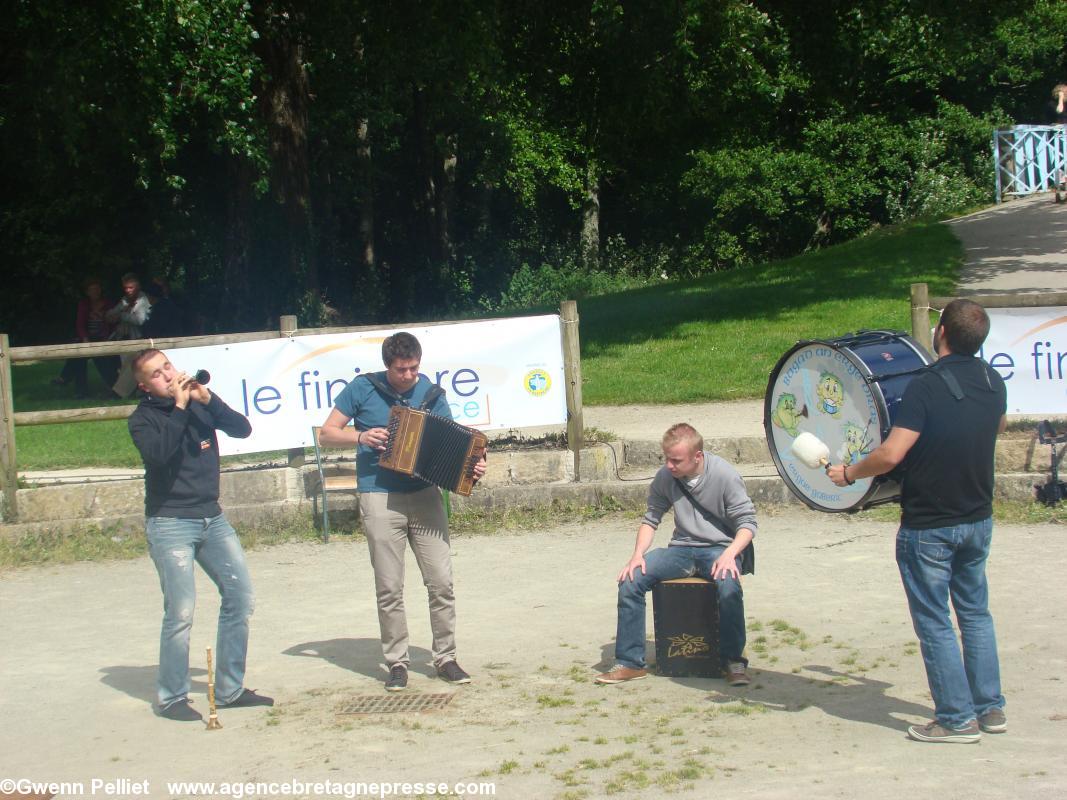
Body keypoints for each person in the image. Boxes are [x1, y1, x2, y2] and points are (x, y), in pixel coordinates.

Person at [829, 299, 1007, 744]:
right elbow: (995, 426)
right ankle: (990, 709)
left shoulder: (926, 385)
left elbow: (891, 454)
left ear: (941, 331)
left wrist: (848, 474)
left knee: (934, 622)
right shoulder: (993, 378)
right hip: (977, 518)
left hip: (929, 524)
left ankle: (955, 719)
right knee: (975, 615)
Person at [319, 332, 486, 692]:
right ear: (387, 365)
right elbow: (327, 433)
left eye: (413, 368)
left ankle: (446, 657)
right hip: (379, 495)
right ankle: (397, 661)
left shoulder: (432, 394)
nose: (409, 375)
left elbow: (456, 445)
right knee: (389, 586)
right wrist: (362, 437)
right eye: (401, 369)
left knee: (441, 581)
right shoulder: (362, 388)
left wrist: (473, 465)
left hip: (425, 494)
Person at [128, 348, 273, 721]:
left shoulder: (198, 403)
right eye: (157, 374)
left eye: (168, 367)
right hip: (170, 521)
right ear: (145, 386)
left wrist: (209, 400)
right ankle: (172, 696)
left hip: (212, 517)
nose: (168, 375)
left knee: (240, 598)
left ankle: (230, 689)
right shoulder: (142, 419)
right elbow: (159, 455)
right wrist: (179, 408)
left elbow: (242, 428)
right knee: (181, 611)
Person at [596, 422, 756, 687]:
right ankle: (630, 662)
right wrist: (637, 555)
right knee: (631, 580)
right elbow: (651, 518)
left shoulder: (725, 475)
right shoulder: (665, 476)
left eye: (676, 460)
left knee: (728, 586)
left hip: (720, 548)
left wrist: (730, 554)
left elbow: (748, 524)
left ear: (698, 457)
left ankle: (733, 661)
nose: (669, 466)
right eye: (666, 458)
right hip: (681, 549)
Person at [53, 277, 118, 398]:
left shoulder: (108, 303)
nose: (95, 292)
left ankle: (67, 380)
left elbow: (114, 324)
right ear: (87, 292)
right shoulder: (84, 304)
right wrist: (85, 338)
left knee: (91, 356)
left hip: (104, 338)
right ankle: (80, 390)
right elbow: (80, 324)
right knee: (79, 355)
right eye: (92, 290)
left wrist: (108, 337)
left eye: (97, 289)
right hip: (88, 338)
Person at [107, 273, 151, 397]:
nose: (128, 290)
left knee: (133, 366)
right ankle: (121, 391)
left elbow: (140, 320)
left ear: (137, 286)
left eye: (131, 288)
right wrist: (113, 314)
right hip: (123, 336)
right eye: (126, 288)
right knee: (124, 367)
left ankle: (125, 392)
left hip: (139, 338)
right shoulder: (125, 300)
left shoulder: (143, 300)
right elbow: (111, 314)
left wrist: (123, 315)